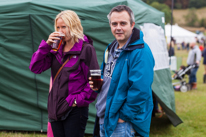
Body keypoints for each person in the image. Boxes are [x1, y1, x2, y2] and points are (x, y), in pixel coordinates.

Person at [29, 10, 99, 137]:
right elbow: (35, 67)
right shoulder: (56, 48)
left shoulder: (86, 49)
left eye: (64, 27)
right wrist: (46, 45)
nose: (60, 31)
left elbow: (96, 82)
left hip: (75, 110)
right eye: (58, 27)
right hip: (55, 108)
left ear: (73, 26)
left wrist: (76, 101)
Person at [90, 5, 154, 137]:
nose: (118, 27)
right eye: (114, 24)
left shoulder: (140, 51)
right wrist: (98, 84)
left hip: (121, 122)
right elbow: (105, 75)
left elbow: (140, 90)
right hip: (105, 116)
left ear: (132, 25)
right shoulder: (111, 48)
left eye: (123, 23)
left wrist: (123, 117)